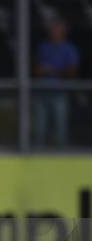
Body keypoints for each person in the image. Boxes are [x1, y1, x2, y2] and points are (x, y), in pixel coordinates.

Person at [33, 18, 79, 147]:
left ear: (63, 32)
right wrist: (48, 70)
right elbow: (37, 70)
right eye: (53, 29)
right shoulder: (43, 47)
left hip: (59, 93)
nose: (55, 32)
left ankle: (61, 153)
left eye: (58, 29)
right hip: (42, 91)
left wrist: (51, 70)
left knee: (60, 126)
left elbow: (71, 72)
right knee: (40, 127)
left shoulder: (69, 48)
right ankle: (38, 152)